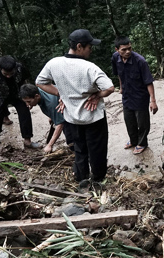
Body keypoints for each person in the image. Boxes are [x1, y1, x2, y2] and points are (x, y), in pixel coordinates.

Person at [36, 29, 115, 191]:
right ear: (79, 46)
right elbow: (110, 88)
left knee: (79, 149)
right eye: (89, 47)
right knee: (97, 150)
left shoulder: (54, 63)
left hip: (71, 117)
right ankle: (98, 180)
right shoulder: (89, 67)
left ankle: (82, 179)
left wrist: (61, 93)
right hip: (93, 117)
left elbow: (40, 82)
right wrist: (97, 95)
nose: (91, 50)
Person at [0, 56, 40, 150]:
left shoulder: (20, 68)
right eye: (5, 74)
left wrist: (29, 98)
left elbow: (26, 82)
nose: (8, 76)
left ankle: (27, 141)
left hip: (17, 94)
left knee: (25, 112)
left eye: (11, 73)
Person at [112, 36, 157, 155]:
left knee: (142, 122)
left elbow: (148, 81)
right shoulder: (115, 58)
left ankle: (142, 143)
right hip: (127, 95)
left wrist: (153, 100)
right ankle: (133, 140)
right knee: (129, 120)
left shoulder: (140, 61)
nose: (127, 52)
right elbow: (119, 74)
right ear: (117, 50)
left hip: (140, 96)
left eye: (129, 48)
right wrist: (121, 87)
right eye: (124, 50)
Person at [20, 83, 73, 153]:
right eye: (26, 102)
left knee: (70, 136)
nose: (27, 105)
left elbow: (60, 125)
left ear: (36, 96)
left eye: (29, 102)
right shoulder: (39, 90)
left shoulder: (50, 104)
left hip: (72, 108)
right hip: (60, 105)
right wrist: (52, 116)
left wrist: (49, 145)